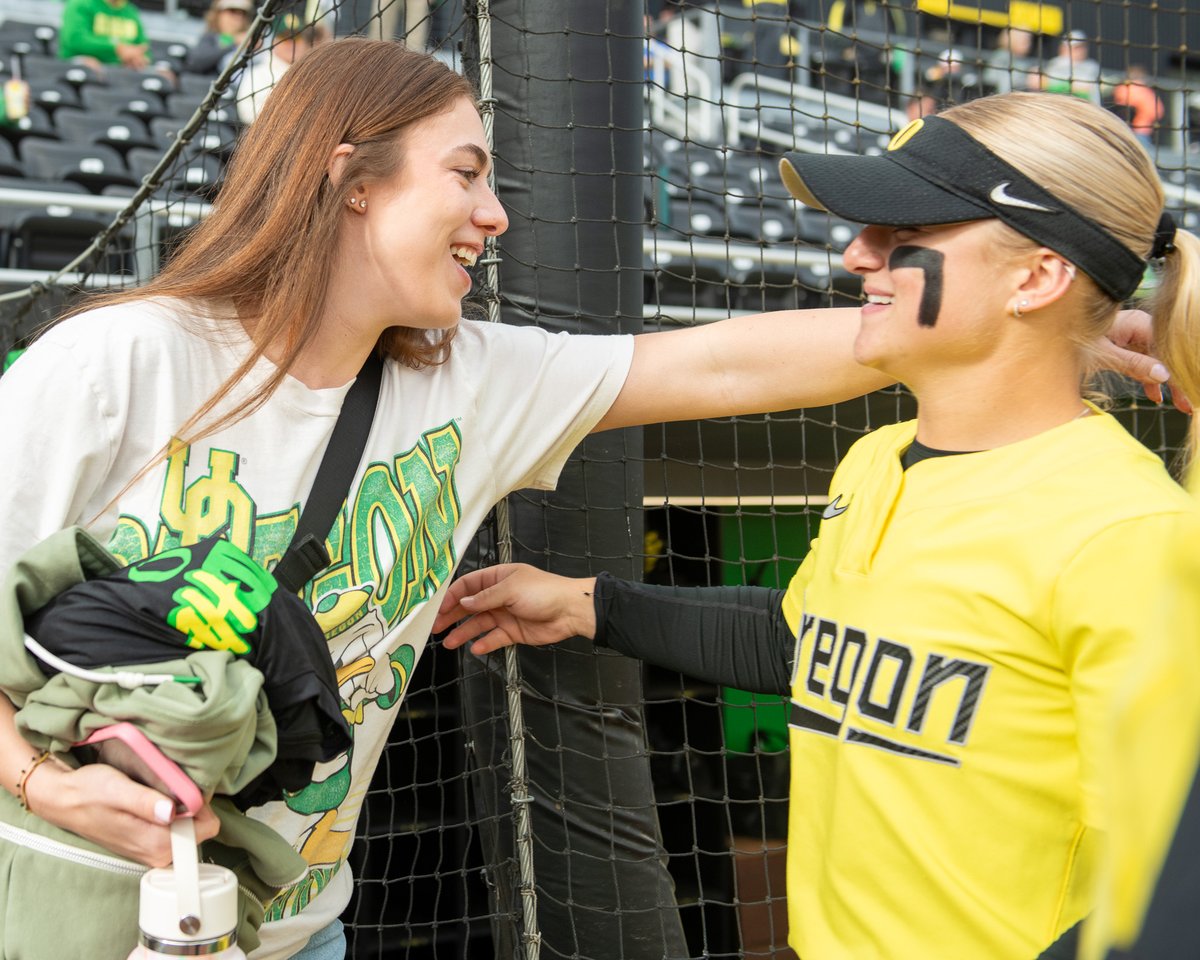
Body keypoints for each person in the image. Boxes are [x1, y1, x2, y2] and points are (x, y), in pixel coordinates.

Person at [0, 34, 1023, 960]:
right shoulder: (121, 360)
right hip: (58, 909)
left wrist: (987, 327)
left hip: (290, 929)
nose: (495, 214)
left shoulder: (470, 383)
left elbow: (720, 369)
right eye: (467, 174)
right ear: (350, 176)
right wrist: (41, 782)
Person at [436, 91, 1200, 959]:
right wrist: (590, 603)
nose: (854, 254)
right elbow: (811, 644)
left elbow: (1176, 881)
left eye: (900, 233)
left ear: (1037, 277)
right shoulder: (877, 461)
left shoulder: (1129, 533)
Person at [236, 13, 326, 125]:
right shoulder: (257, 74)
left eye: (296, 38)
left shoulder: (316, 73)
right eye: (285, 38)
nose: (291, 43)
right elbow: (247, 113)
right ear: (274, 42)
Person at [58, 0, 150, 71]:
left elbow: (143, 48)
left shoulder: (131, 12)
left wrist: (138, 58)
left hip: (120, 67)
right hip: (79, 62)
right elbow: (75, 40)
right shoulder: (81, 3)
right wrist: (117, 49)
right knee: (88, 66)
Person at [184, 0, 254, 76]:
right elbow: (195, 62)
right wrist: (234, 40)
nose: (238, 17)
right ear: (218, 14)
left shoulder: (254, 39)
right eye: (232, 11)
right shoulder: (211, 37)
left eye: (243, 13)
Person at [1034, 28, 1102, 104]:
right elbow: (1040, 84)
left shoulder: (1091, 67)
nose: (1080, 51)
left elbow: (1088, 90)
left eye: (1082, 47)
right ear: (1063, 48)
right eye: (1076, 47)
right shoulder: (1055, 64)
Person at [1111, 63, 1164, 150]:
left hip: (1122, 128)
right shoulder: (1146, 92)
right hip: (1141, 129)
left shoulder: (1121, 88)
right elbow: (1157, 111)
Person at [982, 27, 1033, 95]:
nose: (1028, 44)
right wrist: (1027, 81)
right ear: (1013, 39)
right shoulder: (1002, 56)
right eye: (1024, 40)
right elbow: (1004, 86)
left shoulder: (1023, 61)